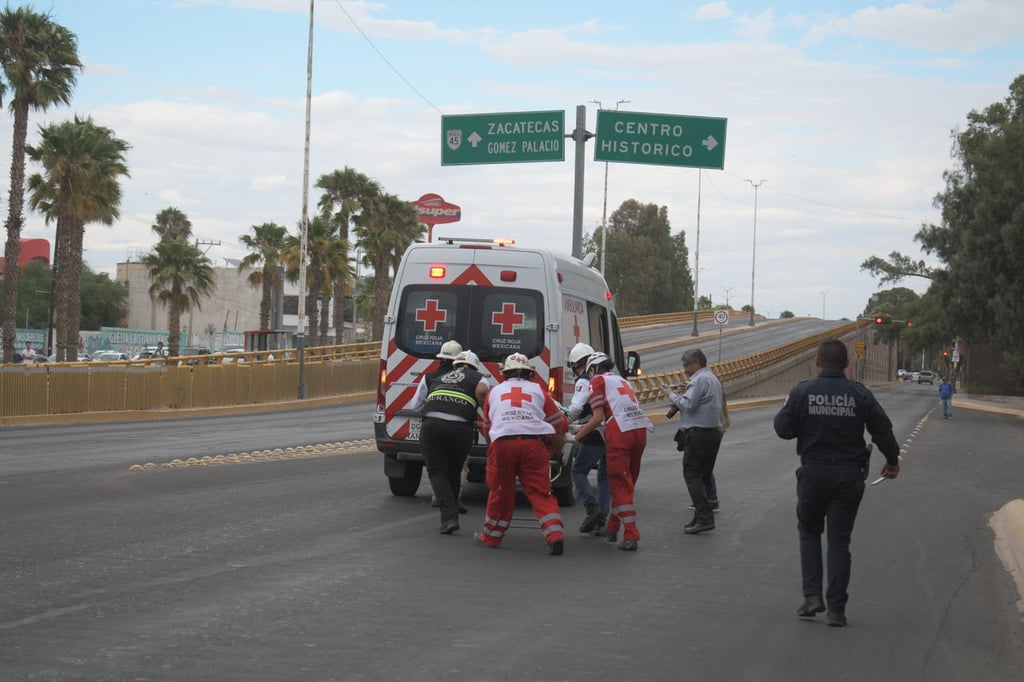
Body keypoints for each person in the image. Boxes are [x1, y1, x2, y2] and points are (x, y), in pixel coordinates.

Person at [773, 338, 901, 627]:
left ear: (817, 362)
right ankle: (836, 610)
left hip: (813, 474)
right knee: (839, 541)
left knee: (809, 532)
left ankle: (811, 597)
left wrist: (789, 406)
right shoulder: (859, 393)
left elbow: (783, 430)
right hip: (848, 475)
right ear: (847, 364)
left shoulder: (802, 392)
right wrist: (892, 460)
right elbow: (883, 431)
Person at [475, 352, 569, 555]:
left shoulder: (495, 392)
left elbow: (487, 427)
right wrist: (557, 449)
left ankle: (491, 537)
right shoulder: (539, 391)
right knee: (541, 492)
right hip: (532, 444)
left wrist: (494, 451)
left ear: (504, 374)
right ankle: (555, 536)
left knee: (500, 491)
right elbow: (559, 424)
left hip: (503, 444)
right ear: (530, 374)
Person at [573, 352, 652, 551]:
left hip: (619, 433)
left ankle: (631, 534)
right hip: (639, 430)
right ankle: (613, 527)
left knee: (618, 484)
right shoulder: (622, 381)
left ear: (592, 369)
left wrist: (576, 436)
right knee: (628, 482)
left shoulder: (597, 381)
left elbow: (598, 417)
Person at [409, 340, 484, 534]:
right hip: (461, 429)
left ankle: (450, 516)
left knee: (437, 472)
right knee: (454, 469)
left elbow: (415, 406)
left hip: (432, 426)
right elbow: (484, 394)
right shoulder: (478, 378)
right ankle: (453, 507)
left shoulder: (433, 377)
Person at [663, 349, 726, 535]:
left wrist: (670, 394)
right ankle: (700, 516)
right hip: (712, 433)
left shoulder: (698, 380)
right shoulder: (712, 379)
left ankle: (705, 518)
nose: (684, 369)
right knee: (704, 476)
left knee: (692, 475)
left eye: (686, 365)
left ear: (696, 363)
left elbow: (688, 405)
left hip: (698, 435)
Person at [564, 342, 610, 534]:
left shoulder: (584, 380)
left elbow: (576, 408)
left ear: (576, 364)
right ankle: (601, 520)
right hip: (611, 431)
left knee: (578, 471)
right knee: (604, 478)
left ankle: (592, 508)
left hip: (594, 431)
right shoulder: (608, 378)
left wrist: (563, 419)